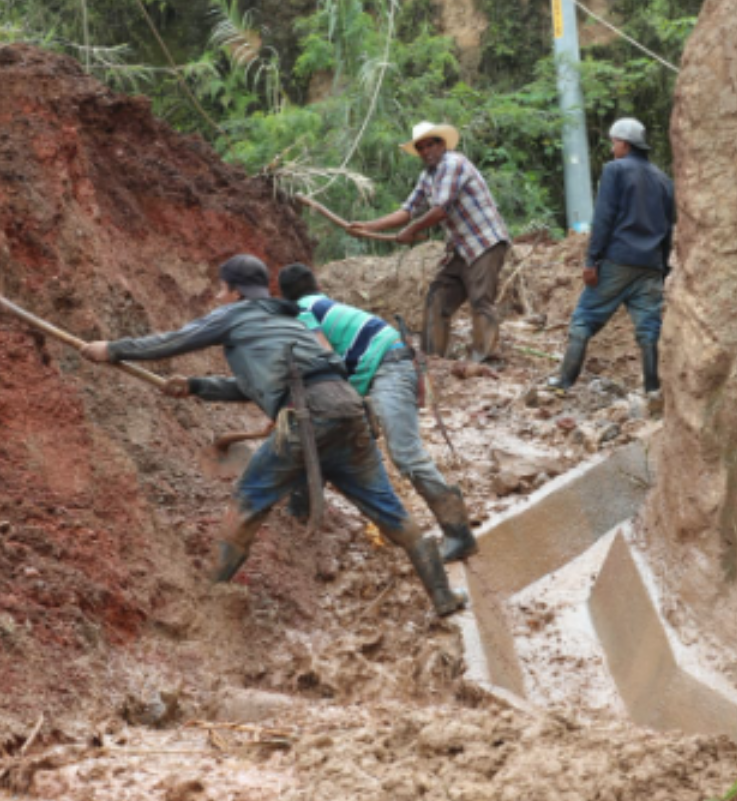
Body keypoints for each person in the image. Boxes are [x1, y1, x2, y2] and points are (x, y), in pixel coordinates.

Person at [79, 255, 467, 617]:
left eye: (220, 290)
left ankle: (206, 599)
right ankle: (443, 595)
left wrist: (112, 349)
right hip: (349, 410)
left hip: (306, 415)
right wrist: (197, 385)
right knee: (387, 508)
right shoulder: (292, 322)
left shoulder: (234, 315)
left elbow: (172, 341)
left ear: (234, 292)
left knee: (248, 499)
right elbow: (263, 385)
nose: (218, 298)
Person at [278, 263, 479, 563]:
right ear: (317, 285)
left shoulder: (302, 310)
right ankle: (301, 513)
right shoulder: (323, 305)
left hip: (389, 367)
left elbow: (327, 356)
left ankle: (459, 533)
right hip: (386, 365)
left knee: (406, 454)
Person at [348, 121, 511, 363]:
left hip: (484, 242)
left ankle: (486, 360)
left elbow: (440, 210)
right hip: (460, 248)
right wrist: (367, 227)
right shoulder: (428, 176)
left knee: (481, 300)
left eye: (430, 145)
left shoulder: (453, 164)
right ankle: (432, 359)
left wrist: (410, 230)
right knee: (438, 296)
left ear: (442, 144)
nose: (426, 152)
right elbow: (407, 210)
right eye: (421, 148)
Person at [547, 118, 676, 402]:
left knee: (584, 319)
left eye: (613, 142)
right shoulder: (663, 180)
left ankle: (563, 381)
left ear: (624, 144)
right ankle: (652, 389)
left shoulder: (615, 170)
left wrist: (592, 260)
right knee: (649, 328)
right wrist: (663, 267)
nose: (611, 147)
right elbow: (668, 227)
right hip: (651, 264)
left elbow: (604, 217)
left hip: (618, 260)